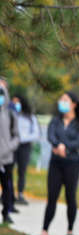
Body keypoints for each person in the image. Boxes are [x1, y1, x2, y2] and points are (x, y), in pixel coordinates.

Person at [37, 92, 79, 235]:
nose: (62, 102)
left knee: (70, 196)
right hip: (56, 163)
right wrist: (58, 145)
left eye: (65, 100)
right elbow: (50, 136)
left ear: (74, 104)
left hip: (72, 163)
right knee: (52, 196)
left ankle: (70, 230)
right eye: (61, 99)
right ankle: (44, 230)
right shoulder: (56, 120)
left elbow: (78, 142)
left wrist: (64, 148)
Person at [11, 95, 41, 205]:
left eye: (17, 102)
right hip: (11, 146)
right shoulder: (10, 115)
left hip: (24, 146)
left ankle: (20, 194)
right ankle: (7, 193)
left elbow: (36, 134)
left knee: (21, 171)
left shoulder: (30, 117)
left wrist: (22, 138)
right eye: (13, 102)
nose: (15, 105)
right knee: (8, 170)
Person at [0, 79, 19, 224]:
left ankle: (6, 212)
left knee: (6, 186)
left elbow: (17, 137)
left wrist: (7, 149)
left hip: (6, 158)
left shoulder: (11, 114)